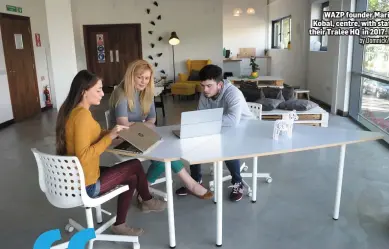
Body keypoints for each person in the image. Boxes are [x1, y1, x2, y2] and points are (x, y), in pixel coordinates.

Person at [55, 70, 166, 237]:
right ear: (85, 91)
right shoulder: (82, 116)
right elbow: (84, 155)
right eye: (98, 90)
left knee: (132, 176)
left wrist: (112, 132)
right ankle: (147, 199)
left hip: (74, 177)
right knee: (135, 165)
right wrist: (110, 137)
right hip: (87, 185)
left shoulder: (73, 111)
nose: (102, 93)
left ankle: (121, 223)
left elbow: (92, 135)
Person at [109, 59, 213, 200]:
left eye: (146, 78)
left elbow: (152, 119)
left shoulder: (147, 92)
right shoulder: (121, 93)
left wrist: (140, 125)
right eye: (139, 77)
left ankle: (143, 189)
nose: (143, 81)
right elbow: (123, 125)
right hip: (121, 138)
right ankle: (190, 183)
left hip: (140, 135)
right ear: (131, 76)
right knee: (164, 157)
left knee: (165, 153)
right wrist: (144, 125)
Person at [175, 64, 255, 202]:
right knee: (194, 140)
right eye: (202, 85)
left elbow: (232, 120)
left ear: (220, 84)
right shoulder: (205, 93)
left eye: (209, 86)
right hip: (220, 126)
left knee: (227, 144)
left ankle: (238, 182)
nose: (205, 90)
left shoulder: (233, 93)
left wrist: (206, 121)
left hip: (243, 129)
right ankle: (195, 181)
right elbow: (201, 115)